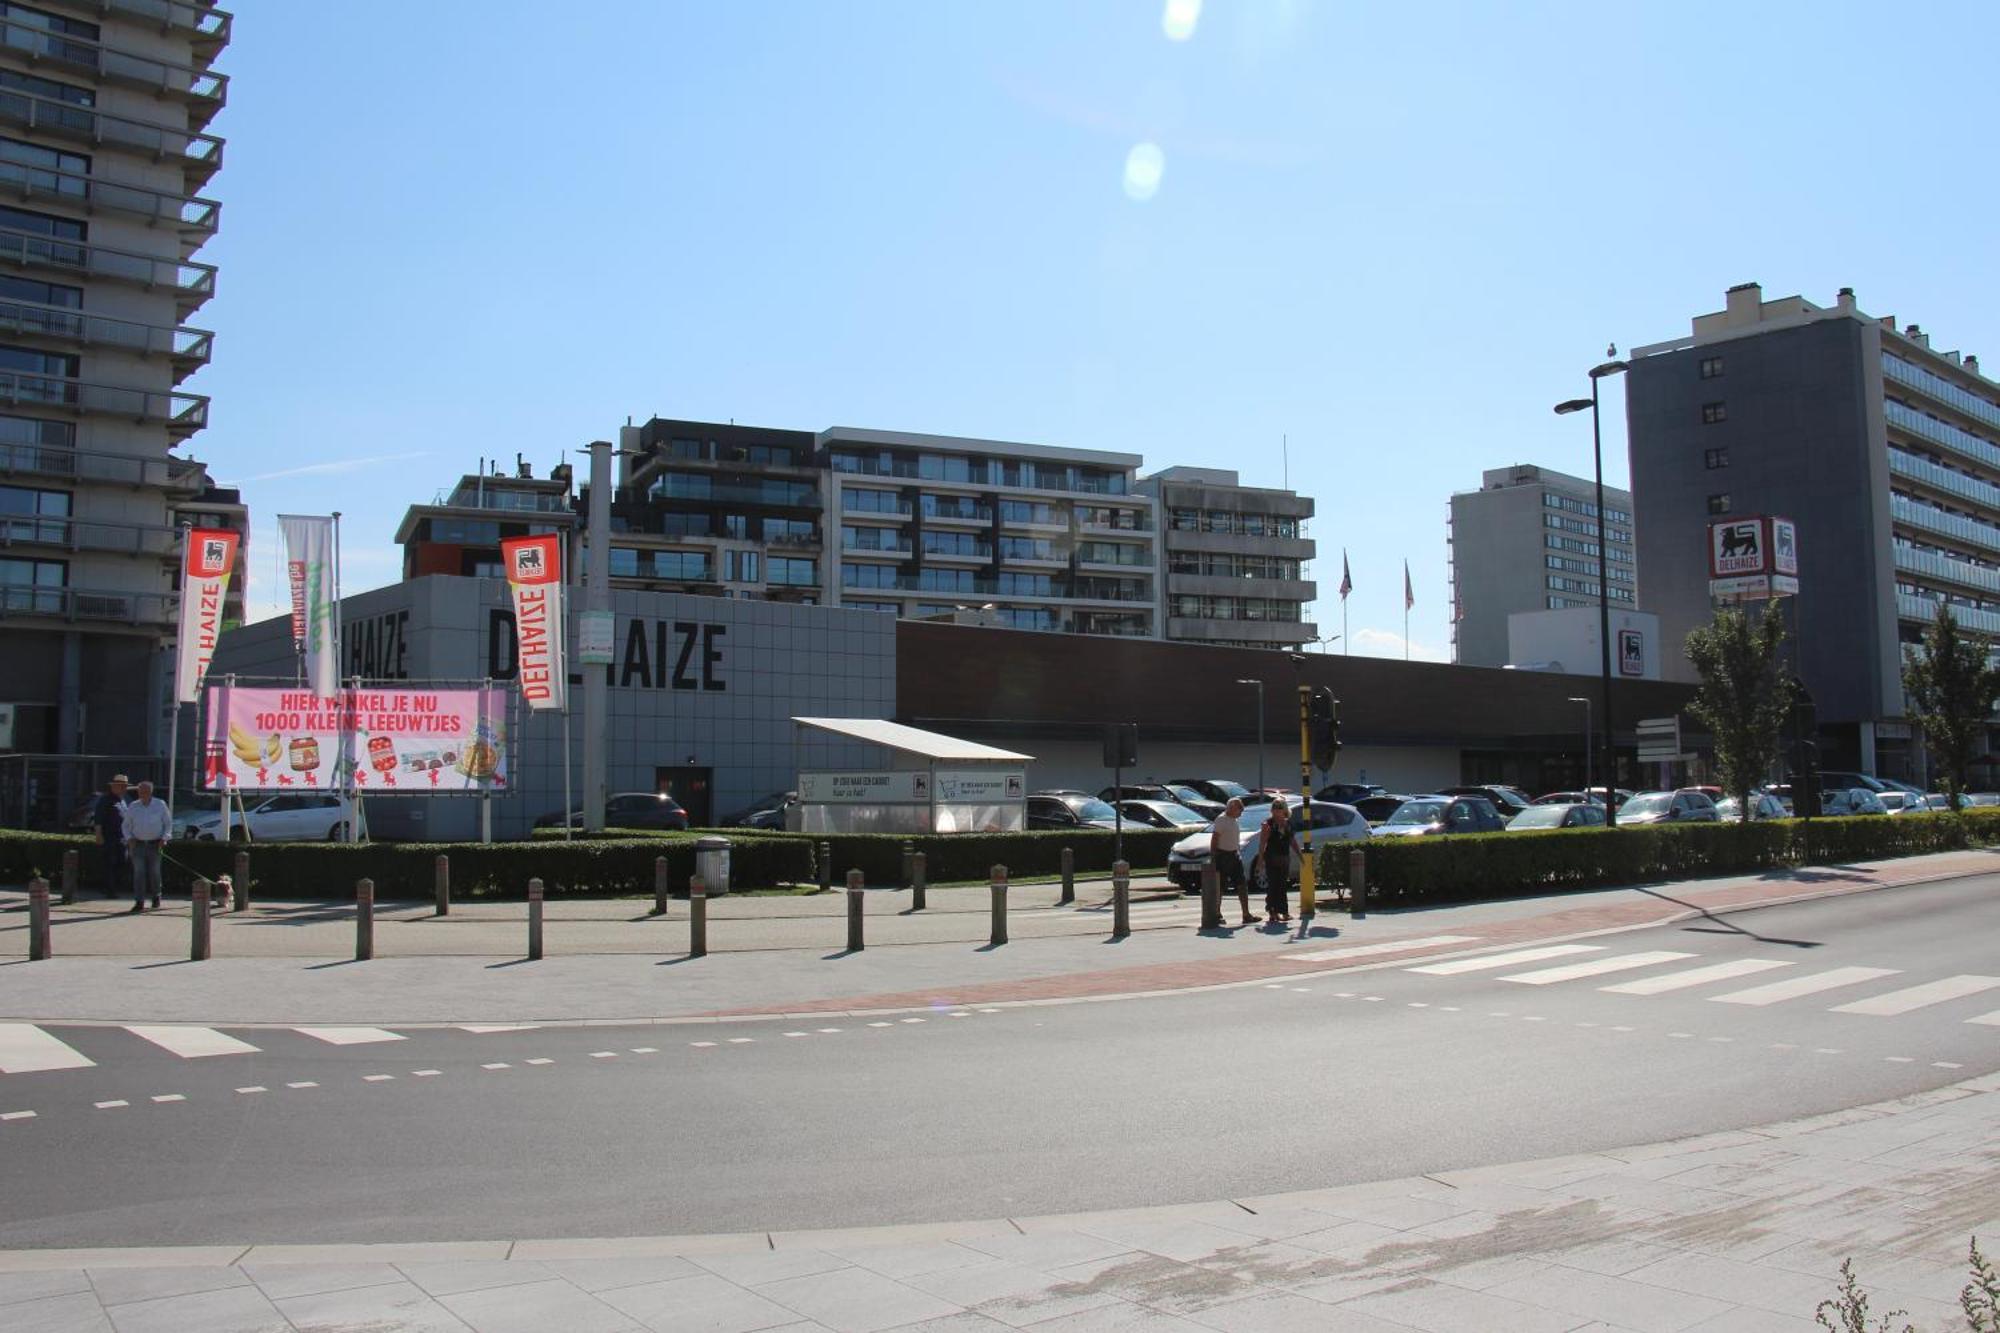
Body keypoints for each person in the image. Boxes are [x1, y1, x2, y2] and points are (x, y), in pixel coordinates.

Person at [122, 779, 172, 913]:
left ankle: (156, 896)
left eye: (145, 791)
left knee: (155, 872)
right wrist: (129, 838)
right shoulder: (133, 806)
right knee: (139, 873)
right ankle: (139, 901)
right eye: (140, 791)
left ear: (150, 792)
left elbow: (168, 824)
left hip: (155, 844)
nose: (142, 794)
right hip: (137, 844)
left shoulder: (160, 804)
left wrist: (164, 838)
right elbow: (125, 825)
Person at [1211, 798, 1255, 926]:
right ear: (1232, 808)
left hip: (1234, 855)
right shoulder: (1221, 820)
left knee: (1242, 884)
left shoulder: (1234, 820)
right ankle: (1217, 913)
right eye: (1239, 810)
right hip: (1223, 855)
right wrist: (1213, 856)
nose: (1240, 814)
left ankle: (1246, 914)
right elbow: (1215, 838)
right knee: (1220, 886)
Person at [1253, 800, 1293, 924]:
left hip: (1284, 857)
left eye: (1279, 808)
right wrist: (1260, 861)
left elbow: (1292, 841)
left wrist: (1300, 857)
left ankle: (1283, 911)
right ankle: (1272, 911)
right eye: (1275, 808)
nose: (1277, 810)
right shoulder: (1268, 824)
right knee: (1273, 885)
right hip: (1272, 857)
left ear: (1284, 810)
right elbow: (1262, 843)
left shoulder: (1287, 824)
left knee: (1282, 885)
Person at [92, 774, 129, 900]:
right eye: (121, 786)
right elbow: (98, 818)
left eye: (125, 786)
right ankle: (109, 889)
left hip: (121, 837)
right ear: (114, 786)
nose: (123, 788)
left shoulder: (122, 801)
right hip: (109, 837)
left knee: (122, 862)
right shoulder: (105, 800)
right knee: (110, 863)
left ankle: (114, 886)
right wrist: (98, 834)